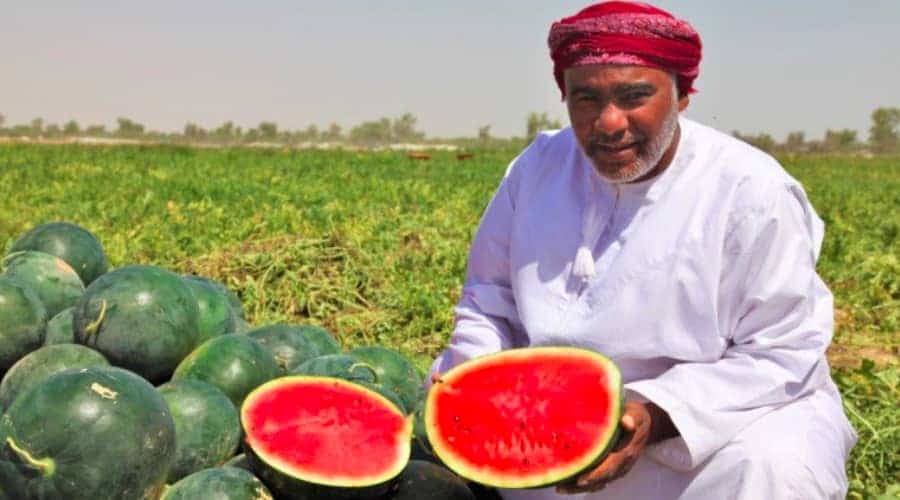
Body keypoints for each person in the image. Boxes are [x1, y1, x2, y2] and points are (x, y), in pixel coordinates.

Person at [427, 2, 857, 499]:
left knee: (774, 468)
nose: (609, 123)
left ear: (682, 95)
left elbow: (782, 352)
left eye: (635, 96)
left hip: (716, 424)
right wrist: (476, 385)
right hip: (555, 418)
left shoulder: (751, 191)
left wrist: (654, 413)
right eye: (586, 98)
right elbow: (488, 300)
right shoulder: (536, 168)